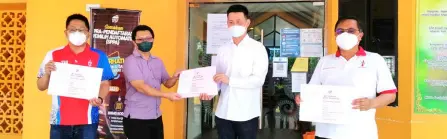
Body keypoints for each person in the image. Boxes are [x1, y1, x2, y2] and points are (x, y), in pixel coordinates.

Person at [294, 17, 397, 139]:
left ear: (360, 35)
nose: (345, 34)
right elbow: (312, 91)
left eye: (351, 31)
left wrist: (371, 103)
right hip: (326, 133)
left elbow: (390, 95)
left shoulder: (375, 60)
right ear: (335, 35)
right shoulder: (325, 61)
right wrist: (303, 98)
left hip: (361, 133)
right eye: (340, 31)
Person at [36, 13, 114, 139]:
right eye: (72, 30)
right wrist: (47, 74)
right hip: (59, 121)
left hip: (88, 121)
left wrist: (99, 98)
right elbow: (40, 86)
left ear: (88, 34)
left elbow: (105, 83)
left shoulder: (100, 56)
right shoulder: (52, 55)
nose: (77, 33)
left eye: (81, 30)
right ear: (66, 33)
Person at [200, 4, 269, 139]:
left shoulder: (258, 48)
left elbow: (258, 80)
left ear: (247, 23)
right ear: (227, 23)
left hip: (246, 114)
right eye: (231, 22)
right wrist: (210, 92)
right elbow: (218, 78)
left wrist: (230, 80)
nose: (234, 25)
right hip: (223, 113)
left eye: (239, 22)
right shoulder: (223, 49)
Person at [122, 25, 182, 139]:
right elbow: (141, 87)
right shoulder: (130, 62)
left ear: (153, 39)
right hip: (137, 119)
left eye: (148, 38)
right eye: (140, 39)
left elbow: (167, 83)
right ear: (134, 42)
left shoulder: (158, 61)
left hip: (156, 116)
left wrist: (175, 77)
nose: (145, 41)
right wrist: (166, 95)